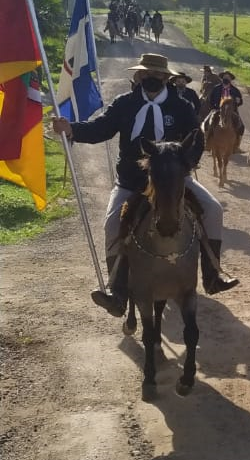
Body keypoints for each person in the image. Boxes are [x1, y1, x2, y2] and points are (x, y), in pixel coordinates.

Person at [51, 52, 238, 316]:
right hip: (132, 181)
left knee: (214, 209)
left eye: (158, 74)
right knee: (112, 223)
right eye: (147, 74)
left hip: (173, 182)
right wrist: (71, 129)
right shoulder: (124, 103)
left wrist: (184, 166)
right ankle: (117, 292)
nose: (152, 78)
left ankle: (212, 275)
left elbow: (196, 140)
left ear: (166, 77)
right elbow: (101, 129)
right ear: (139, 75)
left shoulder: (181, 105)